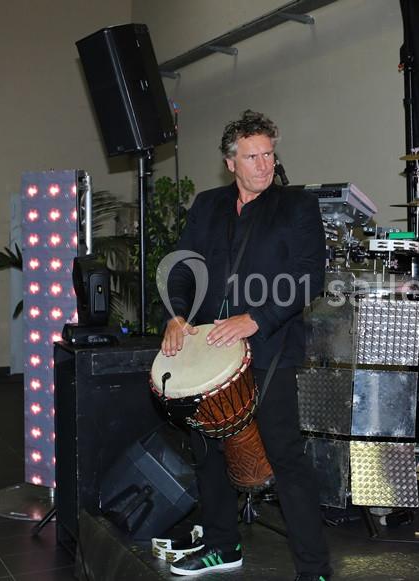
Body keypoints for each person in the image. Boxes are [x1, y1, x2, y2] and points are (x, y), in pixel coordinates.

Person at [161, 110, 331, 580]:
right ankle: (222, 546)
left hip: (269, 348)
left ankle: (314, 569)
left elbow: (309, 276)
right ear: (230, 162)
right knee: (207, 452)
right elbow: (181, 265)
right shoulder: (207, 205)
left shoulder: (296, 205)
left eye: (269, 155)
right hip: (208, 351)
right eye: (252, 156)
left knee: (285, 456)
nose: (264, 165)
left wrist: (256, 318)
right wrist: (175, 315)